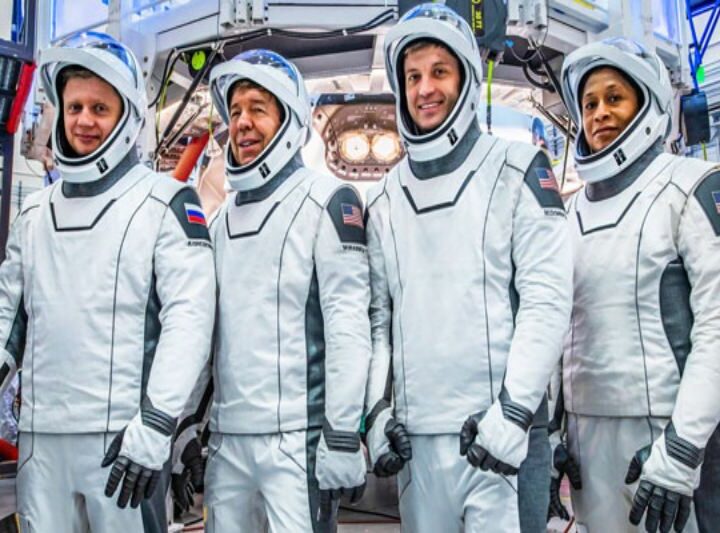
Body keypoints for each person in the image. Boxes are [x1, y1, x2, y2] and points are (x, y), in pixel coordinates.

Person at [363, 4, 572, 532]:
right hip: (416, 445)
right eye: (413, 76)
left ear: (466, 77)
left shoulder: (518, 169)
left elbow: (546, 301)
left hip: (499, 439)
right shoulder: (384, 196)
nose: (424, 89)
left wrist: (515, 413)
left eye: (439, 72)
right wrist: (376, 414)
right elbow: (378, 324)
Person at [0, 32, 216, 531]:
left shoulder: (166, 202)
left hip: (125, 444)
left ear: (127, 115)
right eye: (74, 107)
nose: (84, 121)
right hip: (41, 443)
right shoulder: (34, 213)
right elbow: (9, 322)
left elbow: (189, 320)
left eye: (100, 108)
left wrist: (157, 424)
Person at [199, 49, 371, 532]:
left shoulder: (327, 200)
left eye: (257, 109)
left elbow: (348, 327)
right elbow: (204, 335)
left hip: (298, 441)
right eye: (235, 111)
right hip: (228, 441)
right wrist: (191, 424)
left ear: (290, 119)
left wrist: (341, 433)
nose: (242, 123)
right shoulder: (220, 222)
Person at [556, 37, 720, 533]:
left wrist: (682, 448)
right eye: (589, 104)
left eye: (614, 98)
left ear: (646, 104)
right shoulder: (568, 213)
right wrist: (551, 436)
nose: (599, 113)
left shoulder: (691, 184)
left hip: (673, 439)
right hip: (587, 444)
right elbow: (552, 327)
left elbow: (716, 325)